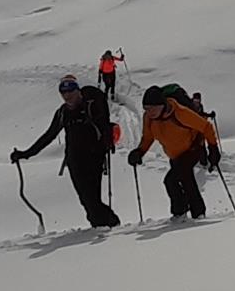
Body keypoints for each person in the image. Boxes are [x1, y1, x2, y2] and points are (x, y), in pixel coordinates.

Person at [11, 77, 121, 228]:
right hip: (74, 160)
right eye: (63, 92)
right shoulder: (63, 113)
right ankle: (103, 226)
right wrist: (26, 154)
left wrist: (107, 141)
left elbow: (104, 125)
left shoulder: (91, 107)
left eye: (70, 91)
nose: (67, 96)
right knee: (85, 199)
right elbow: (49, 136)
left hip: (94, 157)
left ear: (78, 91)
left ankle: (109, 225)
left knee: (91, 198)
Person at [127, 84, 220, 220]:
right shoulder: (149, 118)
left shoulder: (180, 113)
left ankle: (188, 212)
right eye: (146, 108)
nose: (149, 112)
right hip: (175, 155)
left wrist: (213, 149)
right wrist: (140, 152)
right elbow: (148, 137)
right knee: (181, 180)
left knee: (174, 179)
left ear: (162, 105)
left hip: (192, 148)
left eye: (152, 108)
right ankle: (189, 212)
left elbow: (206, 127)